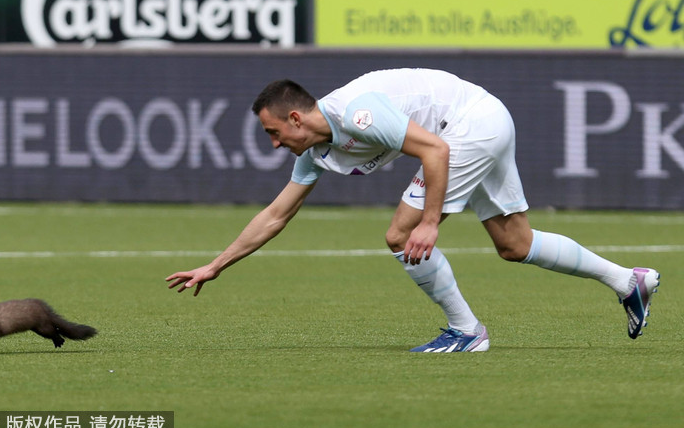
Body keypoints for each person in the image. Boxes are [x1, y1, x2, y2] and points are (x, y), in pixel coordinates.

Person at [166, 68, 660, 353]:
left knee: (400, 235)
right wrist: (215, 265)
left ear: (295, 118)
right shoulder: (316, 150)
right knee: (515, 243)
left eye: (274, 132)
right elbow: (275, 215)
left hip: (471, 124)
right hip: (481, 120)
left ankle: (467, 333)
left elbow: (437, 153)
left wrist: (427, 223)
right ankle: (627, 280)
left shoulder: (357, 114)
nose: (274, 145)